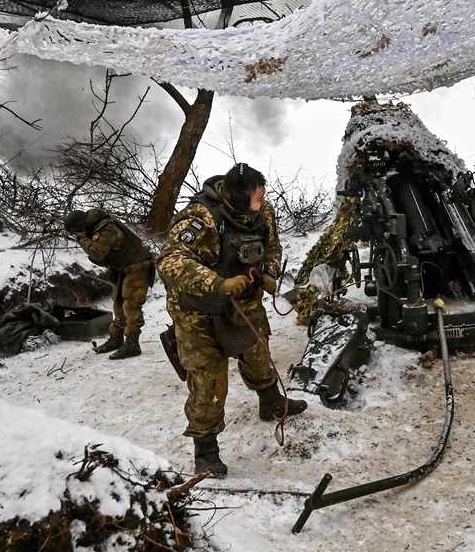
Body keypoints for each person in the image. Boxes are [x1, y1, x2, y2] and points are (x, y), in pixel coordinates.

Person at [158, 163, 307, 477]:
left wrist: (269, 272)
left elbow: (273, 246)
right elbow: (170, 260)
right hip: (198, 312)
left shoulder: (263, 212)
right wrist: (217, 283)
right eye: (256, 197)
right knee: (209, 381)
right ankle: (206, 450)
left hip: (244, 301)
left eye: (262, 194)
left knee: (258, 353)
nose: (262, 201)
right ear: (237, 198)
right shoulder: (200, 218)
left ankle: (270, 403)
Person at [63, 208, 153, 361]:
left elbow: (97, 252)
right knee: (118, 304)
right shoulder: (95, 225)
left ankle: (132, 344)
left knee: (131, 306)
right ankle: (116, 339)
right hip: (122, 268)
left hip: (138, 267)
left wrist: (82, 239)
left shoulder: (106, 229)